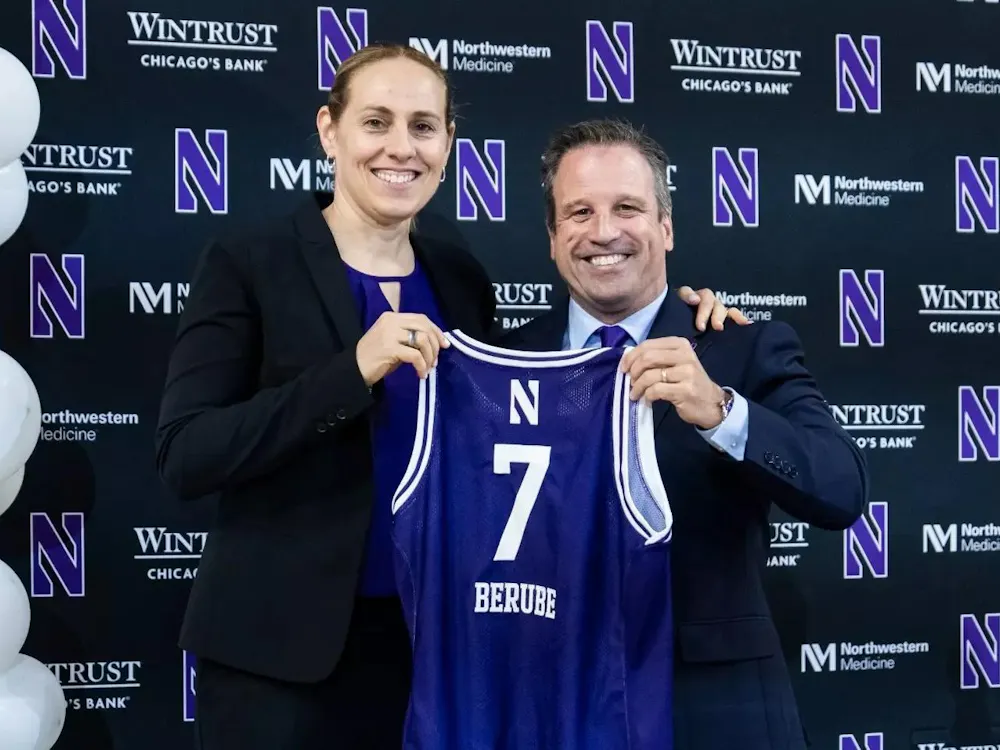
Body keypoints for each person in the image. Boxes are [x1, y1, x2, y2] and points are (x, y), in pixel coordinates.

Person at [154, 44, 743, 750]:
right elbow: (187, 454)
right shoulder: (249, 261)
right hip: (278, 661)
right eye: (376, 122)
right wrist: (350, 371)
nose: (401, 148)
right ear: (328, 130)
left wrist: (692, 314)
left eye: (423, 126)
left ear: (448, 144)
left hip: (440, 653)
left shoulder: (460, 278)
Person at [502, 118, 869, 750]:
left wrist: (722, 411)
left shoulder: (743, 347)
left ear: (666, 227)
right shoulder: (503, 363)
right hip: (548, 704)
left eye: (628, 208)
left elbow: (841, 489)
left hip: (712, 713)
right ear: (553, 238)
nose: (604, 231)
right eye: (579, 212)